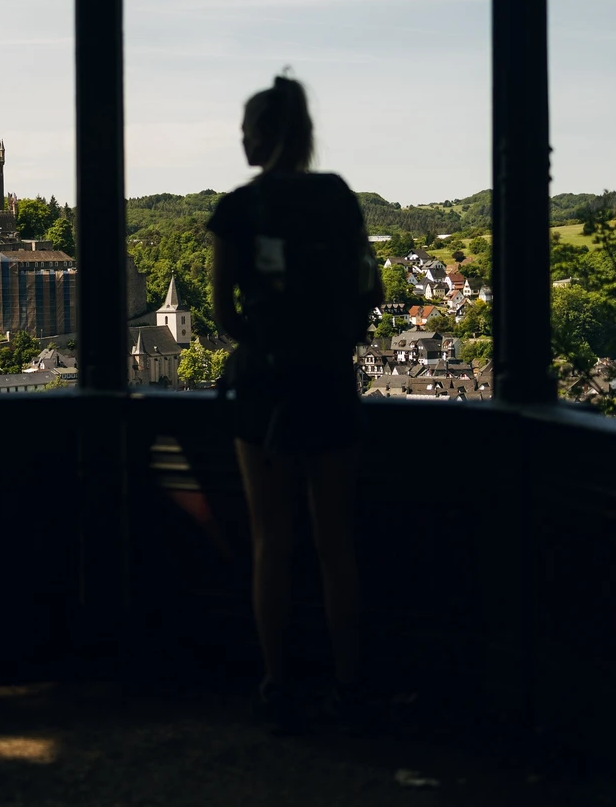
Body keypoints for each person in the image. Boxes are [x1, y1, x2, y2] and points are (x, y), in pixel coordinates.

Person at [205, 73, 385, 736]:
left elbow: (225, 313)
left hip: (265, 388)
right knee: (338, 544)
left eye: (248, 127)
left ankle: (277, 686)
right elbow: (371, 285)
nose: (241, 137)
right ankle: (350, 688)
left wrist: (264, 344)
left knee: (270, 544)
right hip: (330, 382)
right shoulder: (338, 197)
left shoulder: (238, 209)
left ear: (269, 134)